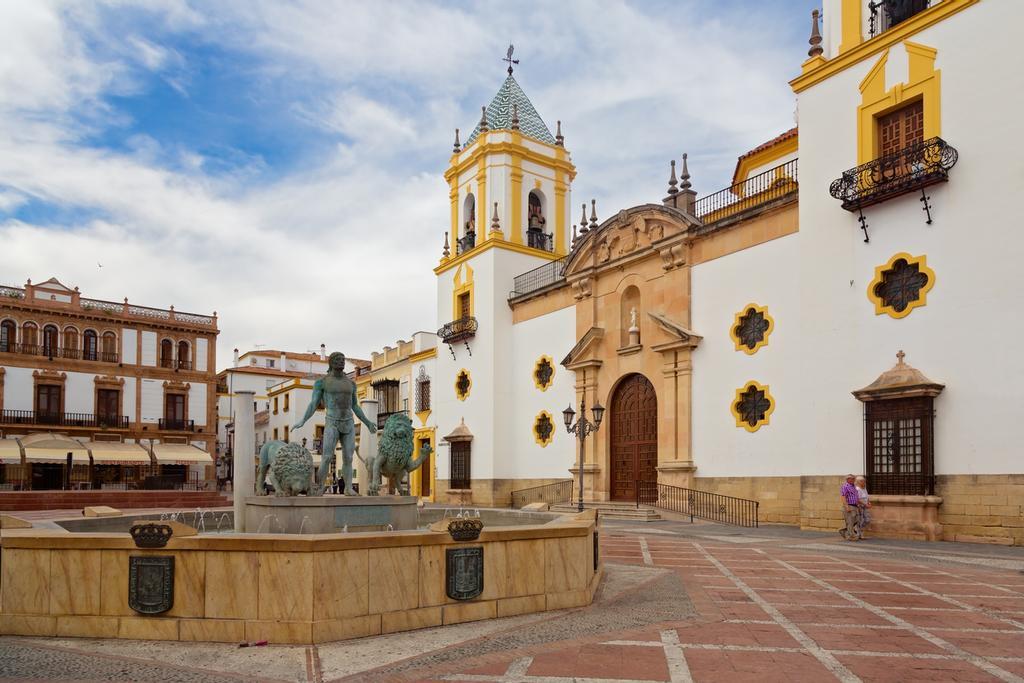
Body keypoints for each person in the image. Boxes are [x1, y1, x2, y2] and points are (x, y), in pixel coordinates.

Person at [293, 352, 377, 495]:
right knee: (326, 457)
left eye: (343, 359)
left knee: (349, 457)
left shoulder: (351, 383)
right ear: (331, 363)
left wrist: (367, 422)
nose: (341, 362)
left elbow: (355, 406)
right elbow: (313, 403)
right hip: (332, 422)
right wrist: (303, 420)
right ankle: (320, 487)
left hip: (348, 422)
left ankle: (349, 488)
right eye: (338, 360)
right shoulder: (322, 382)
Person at [840, 473, 860, 541]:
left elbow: (855, 496)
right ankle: (851, 536)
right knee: (850, 521)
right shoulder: (845, 486)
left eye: (854, 479)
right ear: (848, 479)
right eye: (853, 479)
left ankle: (845, 531)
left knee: (857, 520)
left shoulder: (853, 486)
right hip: (849, 506)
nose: (854, 480)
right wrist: (846, 506)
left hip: (855, 506)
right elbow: (843, 497)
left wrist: (858, 504)